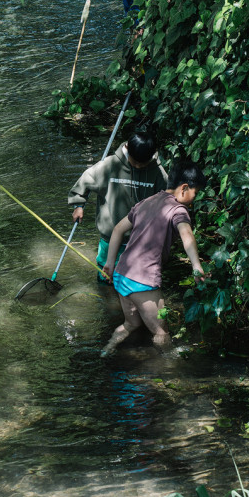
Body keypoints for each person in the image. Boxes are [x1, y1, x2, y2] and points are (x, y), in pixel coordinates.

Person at [101, 159, 207, 354]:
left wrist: (109, 263)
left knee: (131, 323)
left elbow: (117, 230)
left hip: (121, 273)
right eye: (195, 192)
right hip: (142, 281)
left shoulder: (146, 202)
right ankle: (169, 372)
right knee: (161, 333)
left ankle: (106, 351)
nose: (195, 198)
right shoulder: (178, 210)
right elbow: (187, 235)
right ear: (184, 188)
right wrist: (196, 265)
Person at [68, 129, 167, 279]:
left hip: (140, 239)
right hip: (109, 236)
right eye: (135, 162)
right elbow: (85, 180)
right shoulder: (109, 165)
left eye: (143, 163)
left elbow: (167, 200)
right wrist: (78, 205)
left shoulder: (158, 173)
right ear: (127, 149)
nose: (139, 166)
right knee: (105, 274)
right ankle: (106, 299)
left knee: (134, 280)